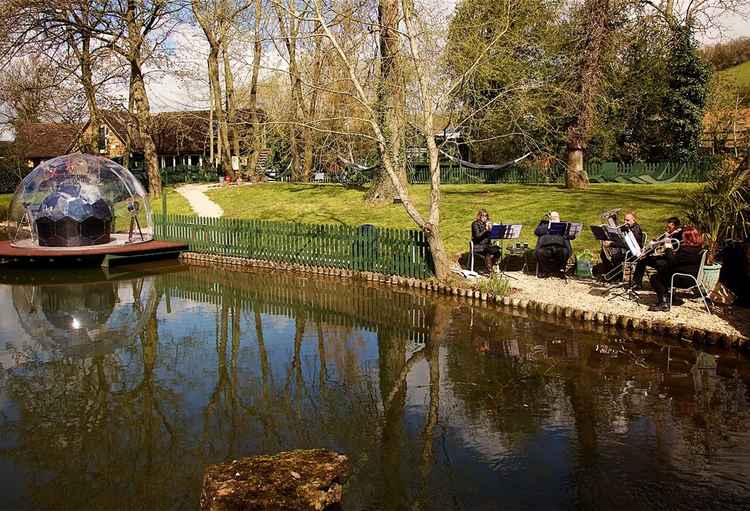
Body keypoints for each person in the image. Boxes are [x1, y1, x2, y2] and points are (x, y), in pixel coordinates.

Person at [648, 226, 704, 311]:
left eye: (684, 236)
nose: (682, 238)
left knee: (655, 278)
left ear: (688, 238)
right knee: (663, 270)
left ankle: (663, 303)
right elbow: (681, 260)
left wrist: (668, 248)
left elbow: (672, 262)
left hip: (684, 279)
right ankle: (671, 297)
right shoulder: (698, 248)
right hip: (692, 277)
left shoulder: (685, 250)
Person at [632, 216, 683, 289]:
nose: (668, 229)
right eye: (667, 227)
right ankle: (637, 283)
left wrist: (669, 239)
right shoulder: (668, 234)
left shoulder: (679, 235)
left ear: (676, 226)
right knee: (643, 259)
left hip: (671, 259)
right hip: (664, 256)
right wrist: (648, 250)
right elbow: (657, 244)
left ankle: (663, 285)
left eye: (670, 227)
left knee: (660, 264)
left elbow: (675, 247)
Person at [534, 211, 571, 277]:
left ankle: (560, 270)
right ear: (550, 218)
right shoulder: (544, 224)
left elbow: (568, 236)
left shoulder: (563, 225)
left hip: (560, 246)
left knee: (565, 252)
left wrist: (572, 235)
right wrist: (549, 225)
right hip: (545, 247)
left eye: (557, 217)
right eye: (553, 217)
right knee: (540, 252)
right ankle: (545, 271)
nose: (555, 218)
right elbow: (537, 232)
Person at [471, 209, 501, 273]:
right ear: (479, 216)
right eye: (483, 216)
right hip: (478, 245)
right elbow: (477, 236)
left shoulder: (487, 224)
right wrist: (486, 230)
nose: (485, 217)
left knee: (497, 251)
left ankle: (490, 266)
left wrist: (494, 231)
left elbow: (491, 236)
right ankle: (490, 271)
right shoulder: (475, 224)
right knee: (488, 252)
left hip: (487, 245)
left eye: (486, 216)